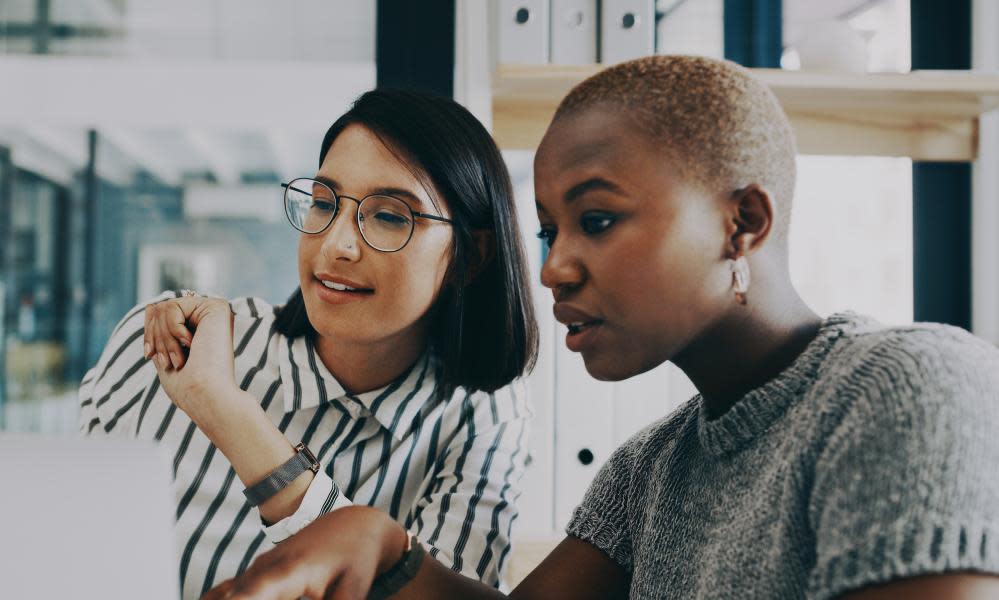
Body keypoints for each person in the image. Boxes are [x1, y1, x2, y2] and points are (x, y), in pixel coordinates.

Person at [203, 55, 999, 600]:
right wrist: (377, 542)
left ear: (741, 222)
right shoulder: (647, 470)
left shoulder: (908, 384)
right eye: (549, 231)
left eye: (597, 218)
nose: (553, 267)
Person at [78, 88, 538, 600]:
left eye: (388, 216)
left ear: (470, 256)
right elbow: (66, 548)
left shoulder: (481, 417)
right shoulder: (167, 342)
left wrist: (225, 411)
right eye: (323, 203)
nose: (336, 245)